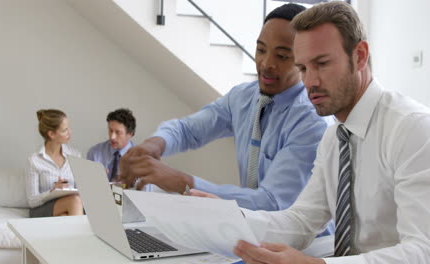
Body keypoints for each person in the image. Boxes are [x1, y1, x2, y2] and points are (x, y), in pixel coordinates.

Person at [233, 2, 430, 263]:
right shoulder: (335, 137)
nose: (309, 82)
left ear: (359, 56)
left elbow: (423, 250)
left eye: (322, 64)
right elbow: (302, 220)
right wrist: (228, 218)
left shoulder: (412, 129)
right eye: (303, 68)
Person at [121, 3, 332, 225]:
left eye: (282, 56)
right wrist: (156, 143)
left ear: (303, 61)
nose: (266, 64)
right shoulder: (243, 97)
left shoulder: (312, 121)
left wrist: (182, 182)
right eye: (261, 50)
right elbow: (188, 130)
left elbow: (270, 203)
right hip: (253, 231)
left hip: (308, 246)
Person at [26, 109, 84, 217]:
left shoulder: (75, 155)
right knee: (75, 201)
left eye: (68, 128)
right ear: (52, 134)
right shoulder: (34, 160)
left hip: (71, 206)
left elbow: (82, 191)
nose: (69, 132)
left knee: (66, 215)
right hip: (42, 208)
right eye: (64, 130)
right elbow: (32, 201)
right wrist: (52, 191)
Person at [87, 108, 136, 182]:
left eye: (118, 132)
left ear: (130, 134)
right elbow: (85, 185)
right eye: (110, 130)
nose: (112, 137)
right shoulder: (94, 152)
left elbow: (146, 192)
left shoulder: (141, 159)